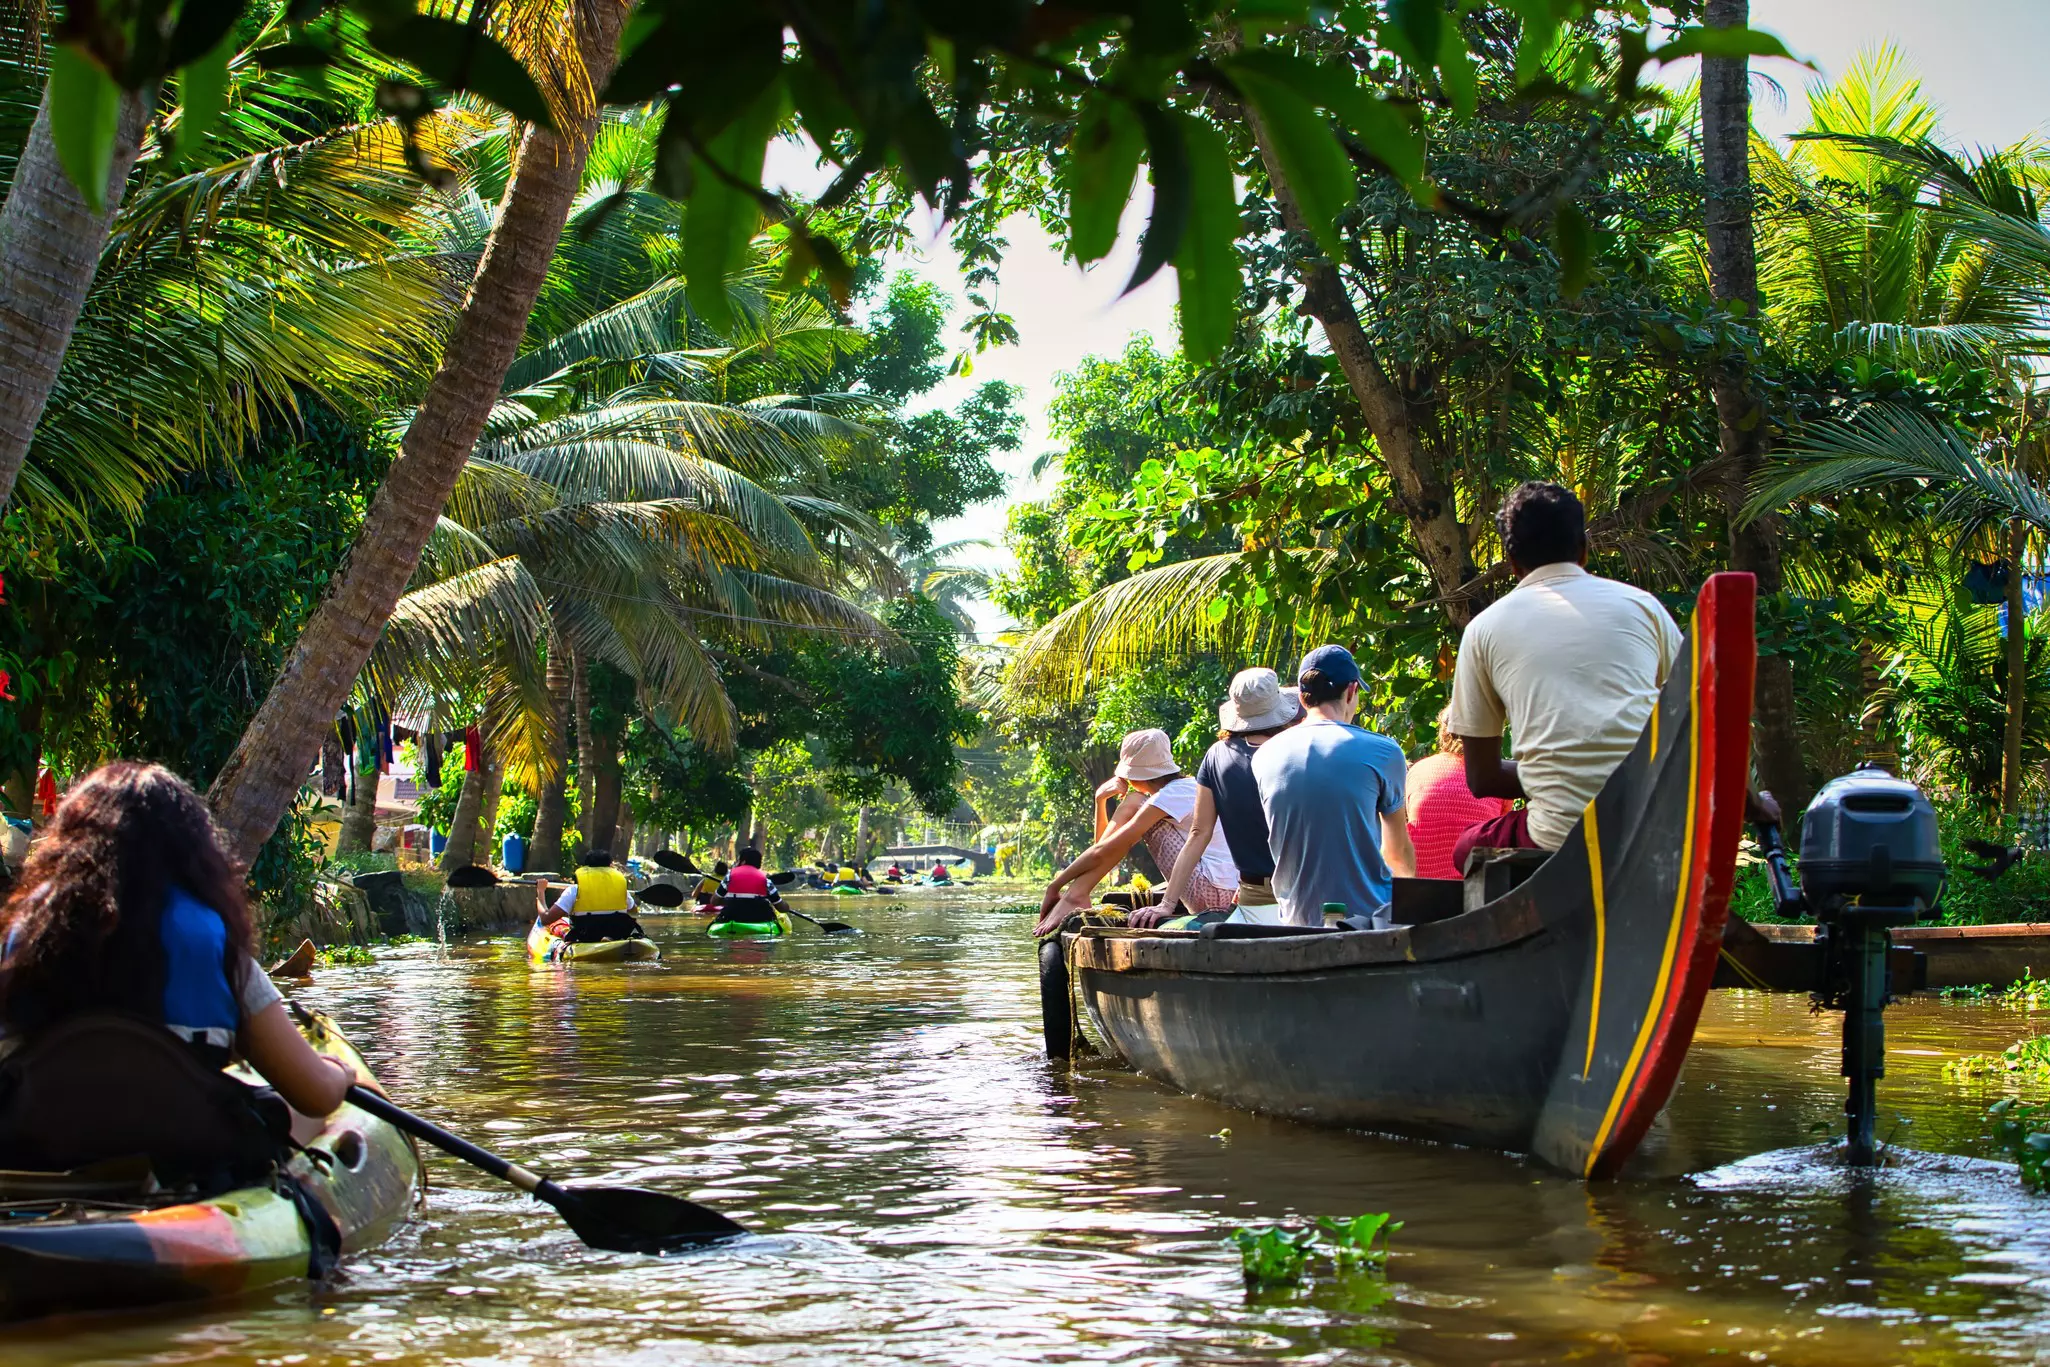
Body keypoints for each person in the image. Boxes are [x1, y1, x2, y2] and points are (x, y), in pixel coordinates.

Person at [0, 764, 371, 1142]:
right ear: (195, 855)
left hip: (39, 1152)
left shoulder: (25, 935)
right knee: (304, 1115)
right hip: (183, 1156)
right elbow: (317, 1094)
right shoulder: (211, 941)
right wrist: (339, 1072)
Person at [1252, 646, 1415, 928]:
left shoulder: (1264, 755)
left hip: (1295, 921)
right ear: (1351, 691)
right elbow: (1397, 853)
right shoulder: (1383, 752)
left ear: (1302, 698)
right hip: (1367, 921)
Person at [1032, 729, 1240, 937]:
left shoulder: (1173, 794)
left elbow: (1104, 850)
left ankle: (1075, 895)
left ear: (1136, 775)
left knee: (1133, 803)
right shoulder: (1179, 789)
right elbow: (1104, 848)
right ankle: (1076, 894)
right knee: (1133, 805)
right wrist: (1100, 801)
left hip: (1213, 893)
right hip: (1218, 890)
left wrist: (1055, 885)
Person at [1139, 669, 1304, 929]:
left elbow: (1198, 833)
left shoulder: (1217, 756)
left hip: (1254, 899)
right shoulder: (1296, 750)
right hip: (1303, 894)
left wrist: (1167, 904)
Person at [1406, 709, 1514, 880]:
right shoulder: (1496, 775)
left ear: (1443, 733)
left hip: (1420, 884)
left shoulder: (1418, 770)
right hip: (1476, 885)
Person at [537, 847, 642, 942]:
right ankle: (609, 938)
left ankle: (604, 938)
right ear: (610, 866)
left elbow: (546, 919)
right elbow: (634, 911)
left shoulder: (574, 890)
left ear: (586, 867)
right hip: (617, 933)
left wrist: (540, 892)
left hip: (587, 936)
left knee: (558, 923)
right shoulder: (621, 889)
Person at [713, 847, 789, 928]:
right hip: (759, 920)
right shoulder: (766, 881)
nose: (736, 863)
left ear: (743, 862)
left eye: (738, 860)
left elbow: (714, 901)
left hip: (732, 918)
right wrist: (787, 906)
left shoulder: (729, 877)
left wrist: (728, 900)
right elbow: (782, 908)